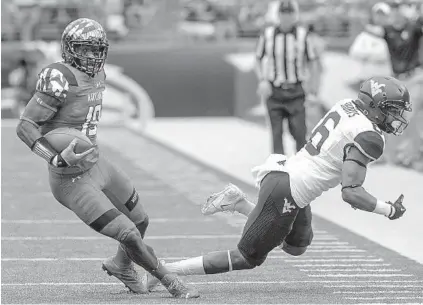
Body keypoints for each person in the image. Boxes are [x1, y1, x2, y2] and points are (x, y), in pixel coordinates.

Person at [143, 76, 409, 292]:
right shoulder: (370, 137)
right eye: (393, 110)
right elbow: (351, 193)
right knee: (245, 258)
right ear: (375, 106)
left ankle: (239, 203)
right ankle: (165, 269)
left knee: (297, 245)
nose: (396, 117)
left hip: (287, 175)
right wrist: (388, 209)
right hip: (287, 190)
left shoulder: (346, 105)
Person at [15, 18, 199, 299]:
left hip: (96, 162)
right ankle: (171, 281)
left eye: (96, 49)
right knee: (128, 234)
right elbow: (25, 125)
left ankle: (121, 266)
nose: (92, 56)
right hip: (70, 178)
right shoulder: (58, 77)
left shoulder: (99, 75)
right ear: (69, 49)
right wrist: (55, 159)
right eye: (84, 49)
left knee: (141, 221)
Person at [256, 0, 320, 154]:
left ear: (294, 15)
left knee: (299, 132)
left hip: (296, 90)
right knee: (276, 133)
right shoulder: (268, 34)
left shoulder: (303, 35)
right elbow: (258, 58)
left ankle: (301, 167)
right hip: (274, 90)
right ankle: (279, 169)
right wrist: (262, 80)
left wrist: (312, 87)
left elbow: (312, 62)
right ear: (278, 15)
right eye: (283, 13)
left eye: (289, 13)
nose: (286, 17)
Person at [365, 1, 423, 169]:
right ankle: (392, 154)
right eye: (394, 10)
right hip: (396, 81)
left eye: (400, 9)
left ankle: (409, 155)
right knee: (389, 116)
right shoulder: (387, 30)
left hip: (414, 77)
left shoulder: (414, 28)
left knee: (409, 116)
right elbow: (371, 28)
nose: (397, 13)